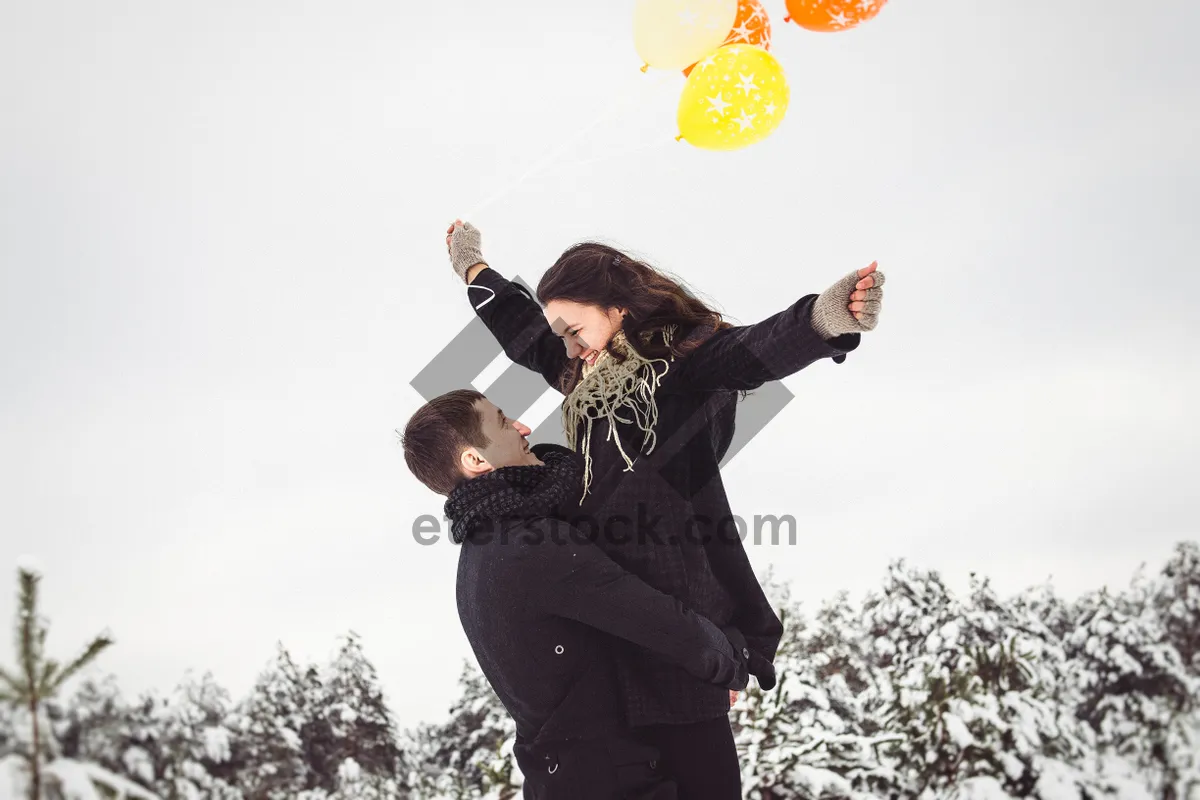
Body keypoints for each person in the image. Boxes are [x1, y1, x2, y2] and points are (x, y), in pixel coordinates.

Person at [442, 219, 887, 798]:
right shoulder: (582, 369)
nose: (568, 345)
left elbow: (750, 352)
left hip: (678, 616)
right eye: (563, 335)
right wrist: (473, 268)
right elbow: (523, 331)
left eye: (574, 328)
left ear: (617, 309)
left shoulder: (677, 362)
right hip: (618, 617)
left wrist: (825, 321)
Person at [401, 388, 753, 799]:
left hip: (564, 779)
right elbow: (662, 621)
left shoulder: (481, 553)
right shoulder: (531, 545)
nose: (523, 427)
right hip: (612, 783)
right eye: (502, 422)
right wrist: (730, 661)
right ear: (476, 460)